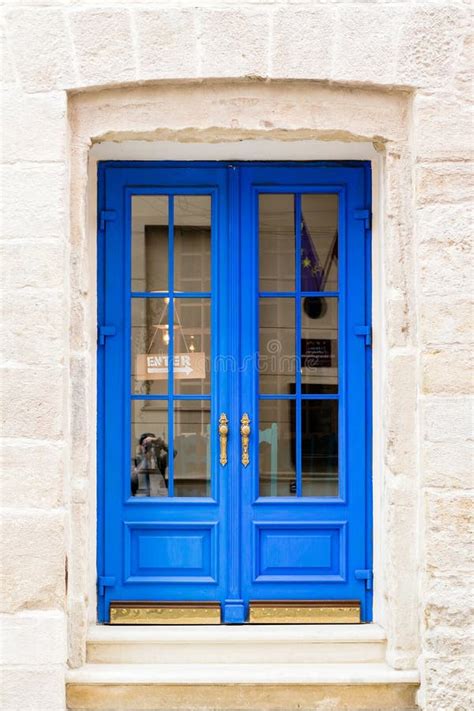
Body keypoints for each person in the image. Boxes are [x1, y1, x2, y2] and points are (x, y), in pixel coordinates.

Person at [131, 432, 174, 497]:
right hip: (141, 498)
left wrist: (159, 442)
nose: (149, 448)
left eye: (151, 445)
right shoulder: (136, 460)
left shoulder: (160, 460)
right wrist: (145, 458)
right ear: (140, 447)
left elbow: (173, 452)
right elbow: (132, 479)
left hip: (159, 497)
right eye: (145, 445)